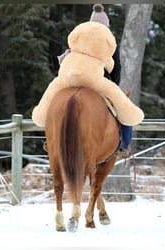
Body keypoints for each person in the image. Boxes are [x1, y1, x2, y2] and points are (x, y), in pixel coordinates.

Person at [57, 4, 133, 158]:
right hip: (99, 84)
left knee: (55, 103)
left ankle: (50, 138)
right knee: (126, 109)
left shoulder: (79, 38)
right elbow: (116, 67)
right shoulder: (108, 42)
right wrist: (115, 83)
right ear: (106, 26)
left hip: (74, 82)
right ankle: (124, 145)